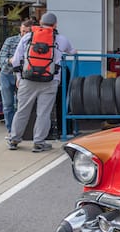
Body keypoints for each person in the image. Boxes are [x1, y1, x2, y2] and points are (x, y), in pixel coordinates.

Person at [7, 12, 77, 152]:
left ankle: (14, 139)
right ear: (55, 24)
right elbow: (72, 51)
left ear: (40, 22)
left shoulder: (28, 37)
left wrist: (19, 78)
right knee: (43, 113)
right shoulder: (61, 39)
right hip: (50, 81)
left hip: (27, 79)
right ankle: (39, 142)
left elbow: (15, 60)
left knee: (22, 110)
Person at [0, 19, 33, 137]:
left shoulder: (32, 42)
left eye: (26, 32)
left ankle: (19, 130)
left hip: (23, 76)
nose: (24, 34)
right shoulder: (11, 40)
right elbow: (1, 57)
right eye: (22, 31)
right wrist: (9, 60)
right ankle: (11, 130)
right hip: (7, 74)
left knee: (21, 104)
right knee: (8, 104)